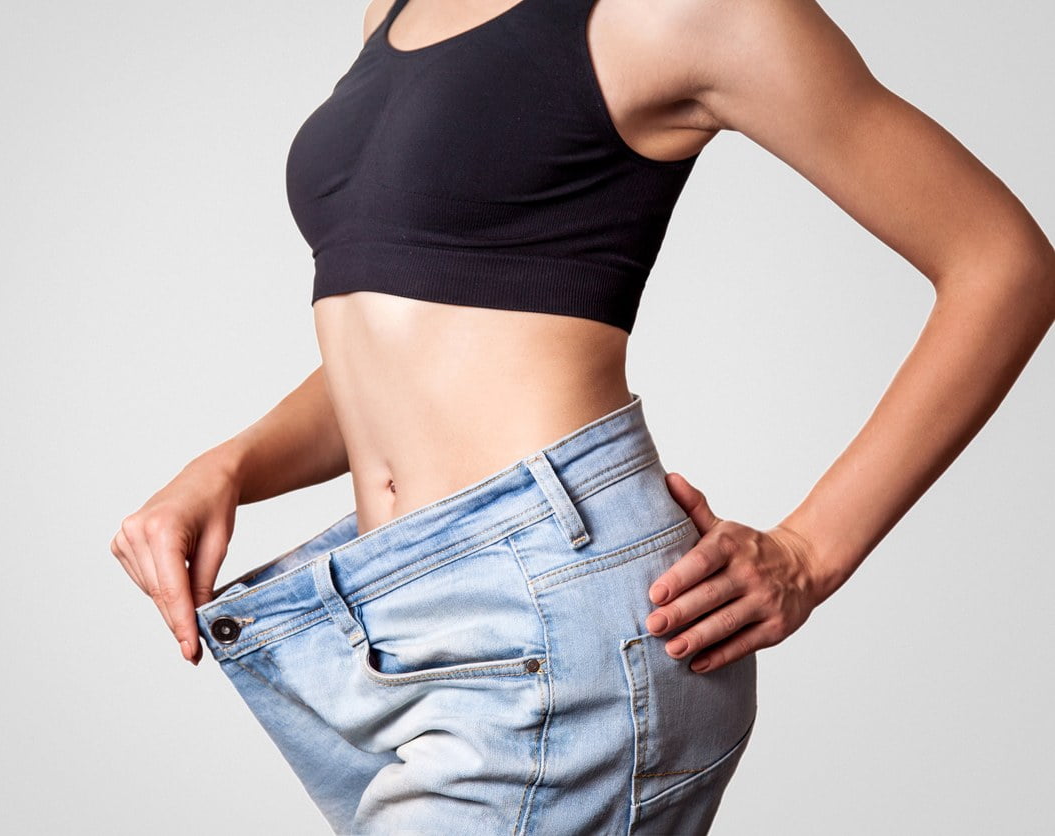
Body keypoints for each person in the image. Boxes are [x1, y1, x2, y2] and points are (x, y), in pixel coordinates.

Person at [110, 0, 1055, 832]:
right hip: (392, 618)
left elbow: (1003, 263)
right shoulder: (391, 13)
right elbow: (422, 344)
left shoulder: (681, 9)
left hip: (549, 615)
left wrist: (812, 552)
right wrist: (232, 464)